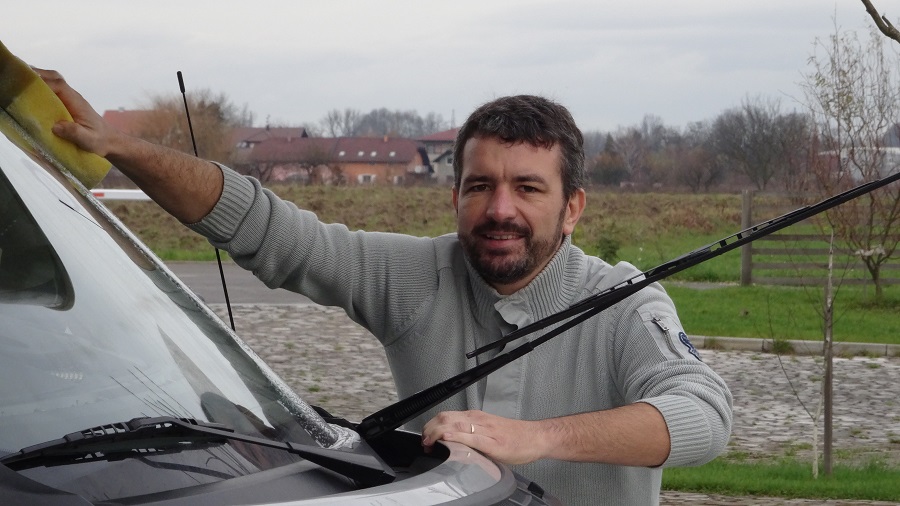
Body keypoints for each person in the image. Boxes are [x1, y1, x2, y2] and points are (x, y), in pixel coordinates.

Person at [37, 68, 732, 505]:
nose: (500, 210)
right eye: (479, 186)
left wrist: (535, 436)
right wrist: (125, 148)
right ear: (454, 195)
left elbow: (704, 415)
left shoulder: (627, 303)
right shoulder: (414, 276)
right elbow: (271, 231)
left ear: (572, 207)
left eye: (528, 188)